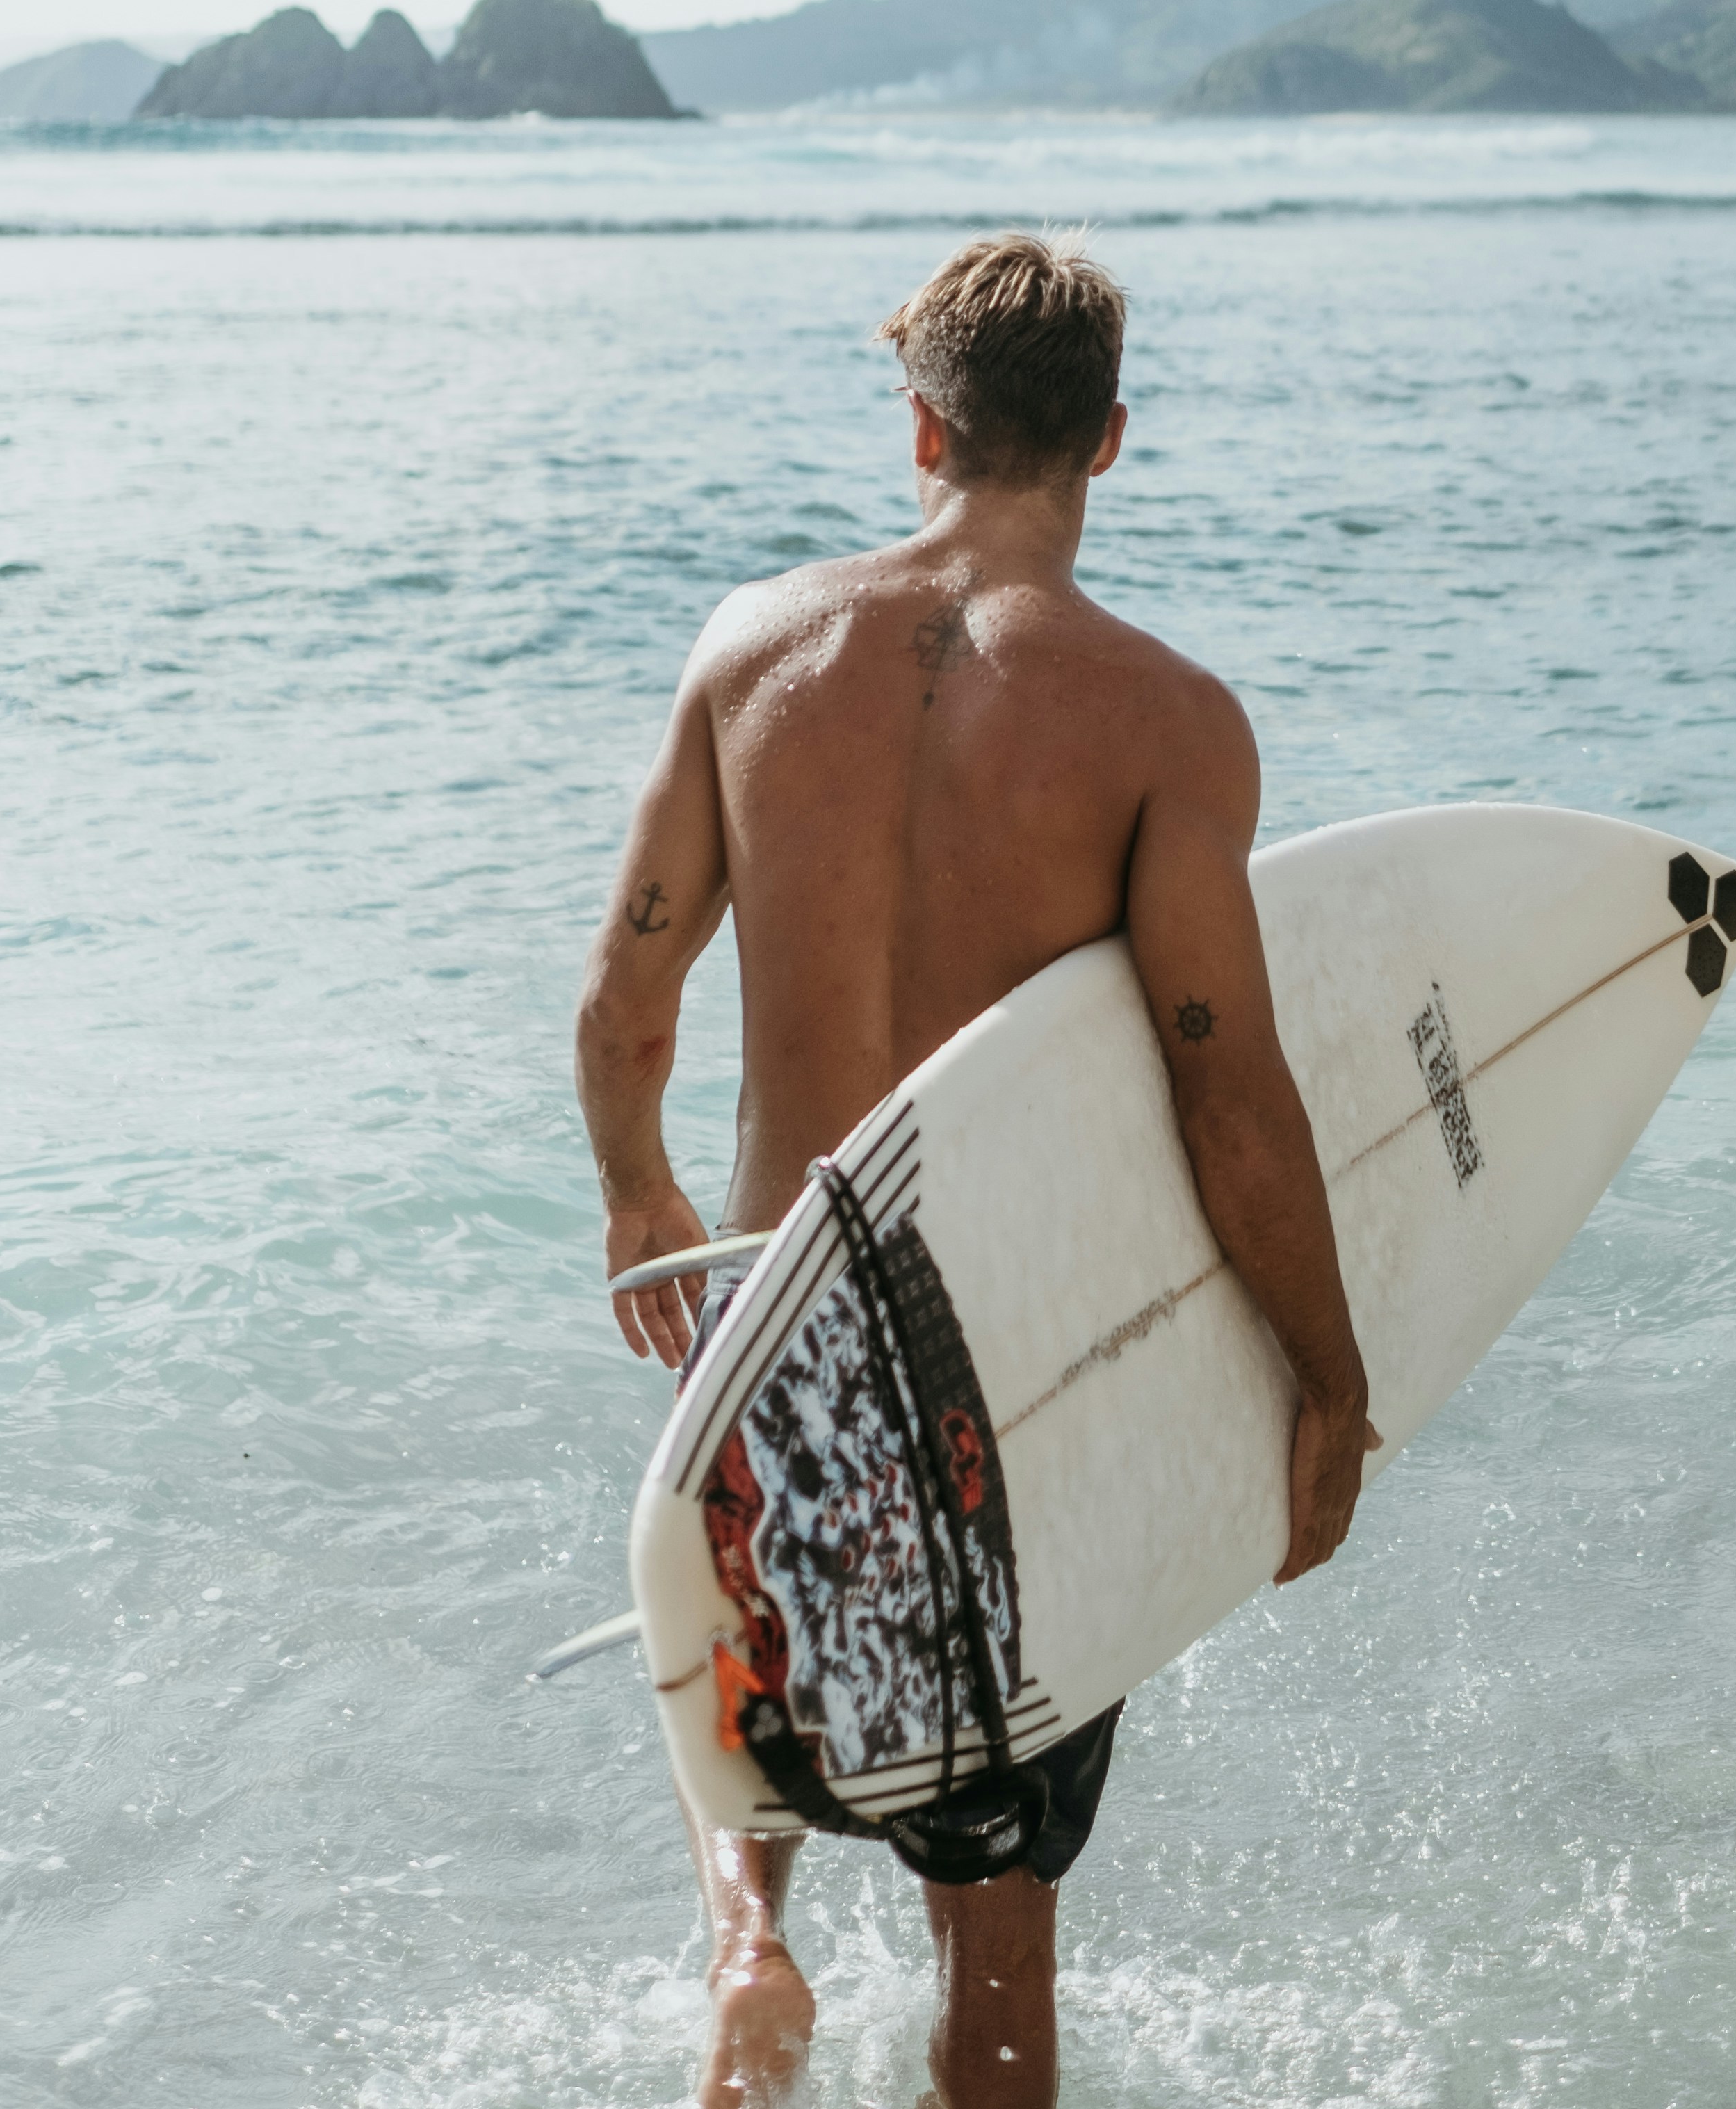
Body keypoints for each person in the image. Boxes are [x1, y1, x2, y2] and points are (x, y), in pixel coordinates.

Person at [574, 233, 1377, 2109]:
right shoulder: (1167, 721)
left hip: (772, 1318)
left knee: (747, 1714)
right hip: (995, 1381)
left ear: (918, 421)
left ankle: (749, 1955)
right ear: (1108, 437)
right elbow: (1227, 1091)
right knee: (997, 1953)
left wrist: (643, 1201)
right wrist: (1332, 1374)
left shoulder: (751, 648)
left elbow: (622, 1003)